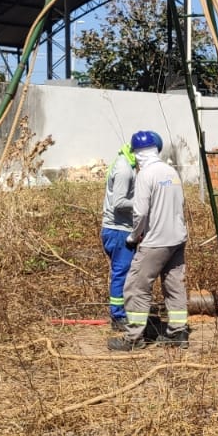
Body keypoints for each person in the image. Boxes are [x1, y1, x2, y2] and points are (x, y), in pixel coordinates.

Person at [109, 130, 190, 350]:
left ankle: (134, 338)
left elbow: (140, 212)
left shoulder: (146, 175)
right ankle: (178, 333)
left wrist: (134, 236)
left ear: (136, 154)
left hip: (156, 241)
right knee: (174, 285)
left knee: (136, 286)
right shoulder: (171, 171)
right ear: (156, 149)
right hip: (177, 239)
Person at [99, 139, 138, 330]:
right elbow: (119, 202)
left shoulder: (126, 163)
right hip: (118, 230)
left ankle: (121, 312)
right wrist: (143, 202)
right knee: (121, 274)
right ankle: (118, 316)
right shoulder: (124, 169)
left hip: (119, 229)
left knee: (123, 273)